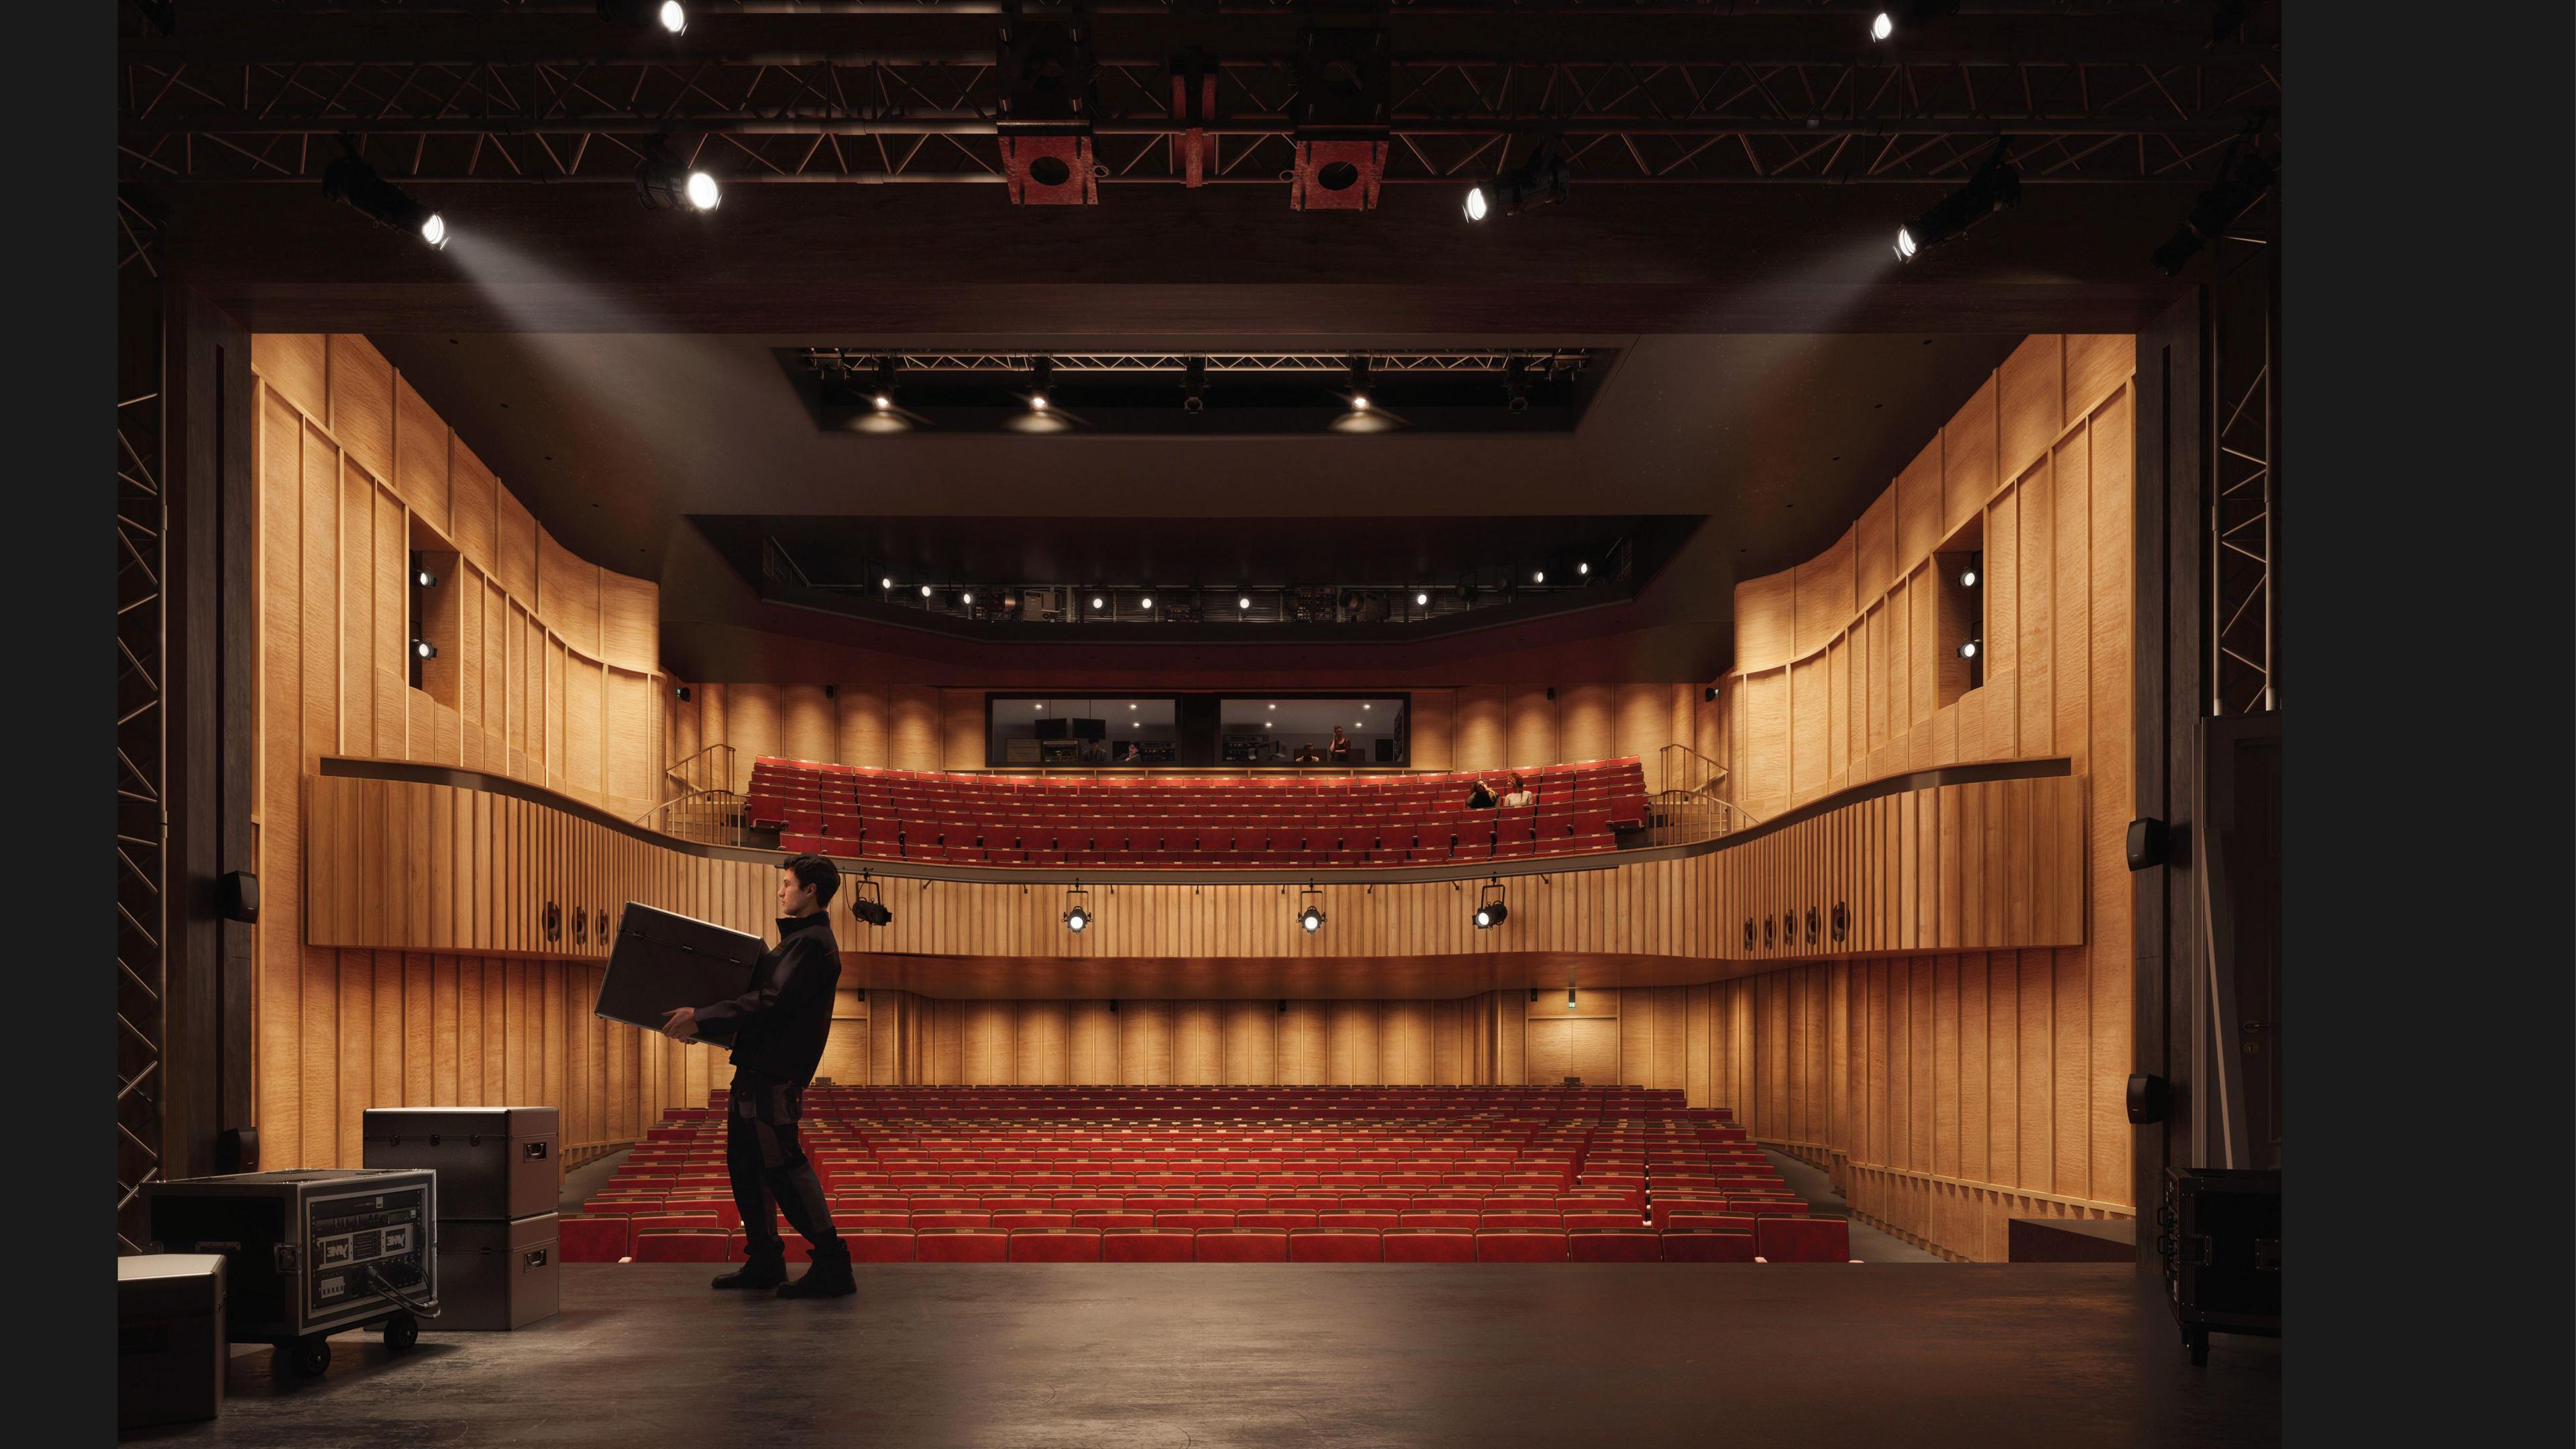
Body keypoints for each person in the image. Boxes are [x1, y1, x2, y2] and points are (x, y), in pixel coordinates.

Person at [659, 853, 852, 1299]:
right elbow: (765, 1009)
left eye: (787, 884)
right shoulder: (796, 943)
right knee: (745, 1168)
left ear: (811, 892)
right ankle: (765, 1259)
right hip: (756, 1072)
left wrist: (703, 1017)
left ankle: (832, 1262)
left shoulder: (811, 943)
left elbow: (771, 1002)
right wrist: (707, 1027)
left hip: (775, 1077)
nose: (780, 890)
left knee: (785, 1168)